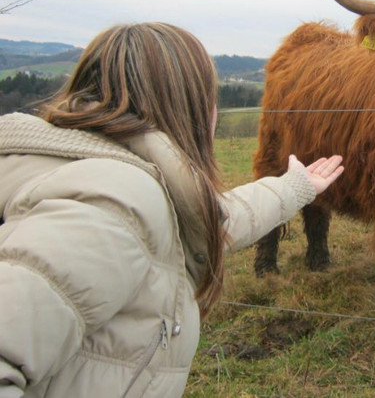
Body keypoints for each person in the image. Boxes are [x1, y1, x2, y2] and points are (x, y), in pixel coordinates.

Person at [0, 22, 344, 397]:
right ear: (185, 107)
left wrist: (294, 187)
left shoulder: (116, 174)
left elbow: (203, 222)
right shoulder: (113, 201)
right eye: (208, 97)